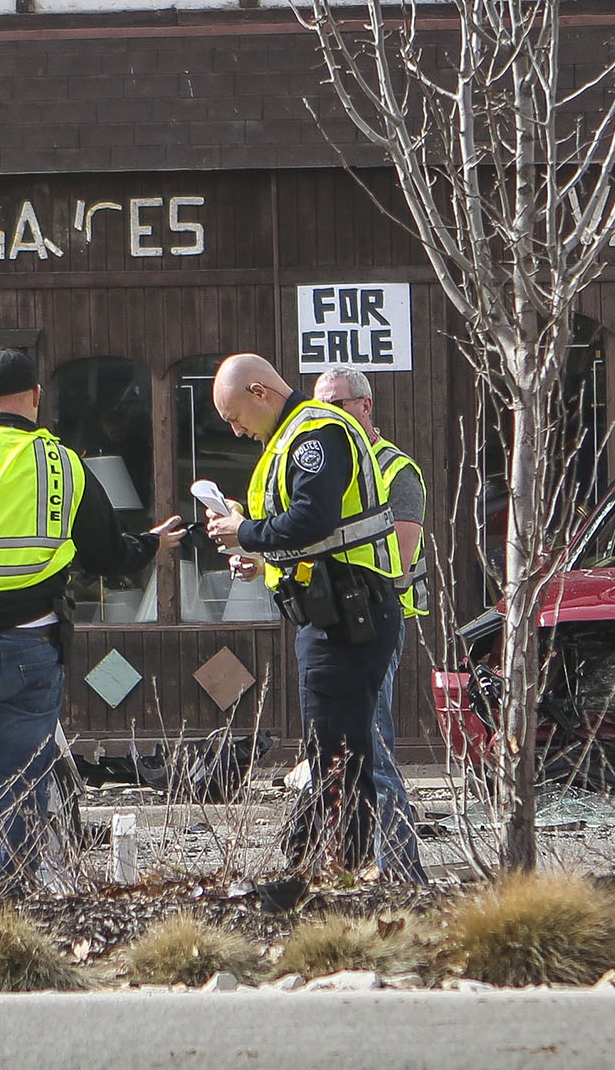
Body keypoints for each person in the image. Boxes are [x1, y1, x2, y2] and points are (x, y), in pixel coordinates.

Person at [0, 347, 184, 893]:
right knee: (21, 785)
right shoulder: (64, 464)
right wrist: (149, 545)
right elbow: (106, 555)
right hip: (31, 648)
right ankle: (12, 904)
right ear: (37, 398)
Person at [203, 354, 404, 873]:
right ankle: (331, 868)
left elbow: (312, 521)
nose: (236, 429)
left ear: (259, 391)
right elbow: (304, 536)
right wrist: (255, 549)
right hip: (333, 614)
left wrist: (245, 533)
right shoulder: (291, 438)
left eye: (235, 416)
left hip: (348, 616)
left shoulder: (314, 433)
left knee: (339, 754)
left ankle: (343, 873)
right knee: (335, 752)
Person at [314, 365, 428, 883]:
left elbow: (399, 559)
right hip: (333, 623)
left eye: (338, 404)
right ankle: (357, 866)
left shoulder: (392, 468)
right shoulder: (319, 468)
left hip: (376, 621)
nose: (327, 415)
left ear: (366, 406)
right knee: (344, 753)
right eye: (320, 405)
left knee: (374, 751)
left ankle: (402, 873)